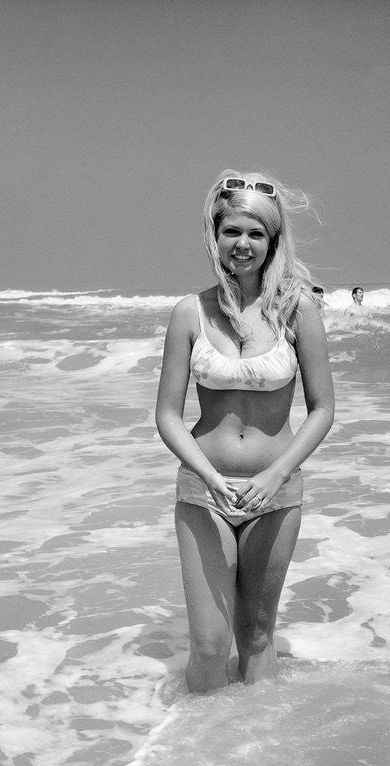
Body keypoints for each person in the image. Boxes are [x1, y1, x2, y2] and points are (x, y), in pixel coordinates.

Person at [155, 170, 335, 693]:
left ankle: (258, 756)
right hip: (203, 491)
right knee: (210, 647)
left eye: (256, 233)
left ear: (272, 242)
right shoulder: (190, 312)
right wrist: (208, 475)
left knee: (256, 635)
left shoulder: (297, 311)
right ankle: (191, 759)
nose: (243, 244)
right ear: (216, 236)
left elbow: (323, 408)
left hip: (275, 493)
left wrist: (277, 475)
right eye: (233, 231)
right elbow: (168, 413)